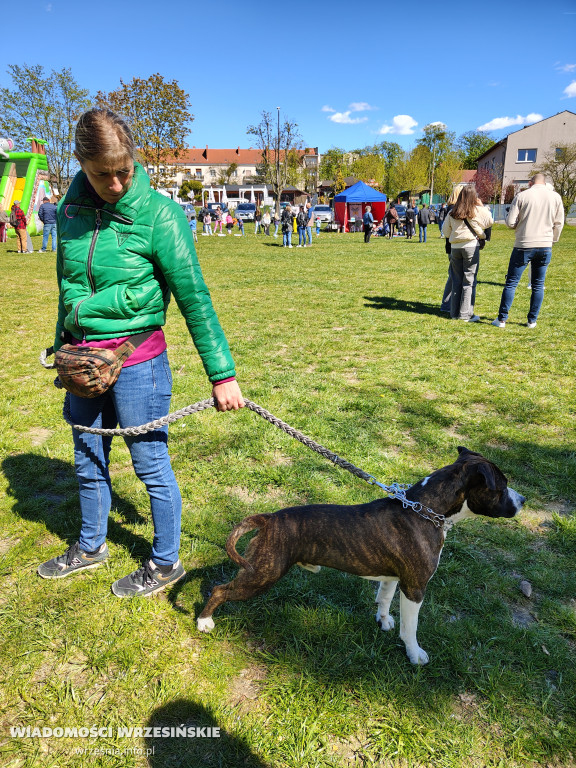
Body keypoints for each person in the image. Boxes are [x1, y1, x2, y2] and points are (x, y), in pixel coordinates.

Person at [37, 107, 244, 596]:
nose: (115, 183)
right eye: (102, 174)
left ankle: (166, 562)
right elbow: (67, 288)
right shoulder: (69, 213)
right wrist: (62, 344)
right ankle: (91, 546)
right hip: (82, 362)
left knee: (150, 463)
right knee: (87, 456)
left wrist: (223, 374)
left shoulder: (161, 216)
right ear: (82, 166)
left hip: (138, 363)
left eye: (124, 170)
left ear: (134, 158)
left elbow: (195, 298)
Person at [492, 174, 564, 329]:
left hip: (524, 244)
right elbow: (559, 223)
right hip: (545, 245)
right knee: (538, 284)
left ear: (531, 182)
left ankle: (502, 319)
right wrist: (553, 239)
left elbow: (511, 222)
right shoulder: (555, 197)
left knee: (511, 283)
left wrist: (518, 224)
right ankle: (532, 320)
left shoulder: (522, 196)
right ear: (545, 183)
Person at [442, 185, 493, 322]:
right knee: (469, 281)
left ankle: (454, 313)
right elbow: (489, 221)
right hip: (470, 246)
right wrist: (481, 206)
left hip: (455, 248)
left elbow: (446, 232)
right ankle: (465, 314)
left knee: (456, 280)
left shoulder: (452, 212)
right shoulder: (476, 210)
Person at [440, 185, 464, 312]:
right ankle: (447, 304)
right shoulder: (455, 209)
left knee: (453, 274)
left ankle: (448, 304)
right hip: (454, 245)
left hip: (451, 245)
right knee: (454, 275)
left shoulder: (450, 208)